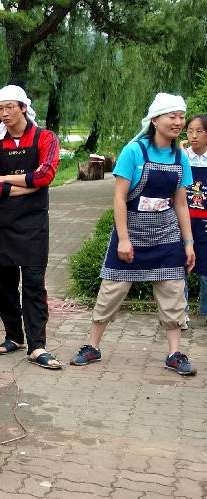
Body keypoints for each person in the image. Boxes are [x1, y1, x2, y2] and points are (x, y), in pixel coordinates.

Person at [70, 94, 197, 375]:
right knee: (111, 291)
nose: (178, 122)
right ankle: (92, 346)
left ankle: (175, 353)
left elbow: (180, 202)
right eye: (172, 116)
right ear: (155, 120)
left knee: (173, 294)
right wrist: (124, 238)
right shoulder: (134, 152)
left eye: (181, 116)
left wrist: (188, 242)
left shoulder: (180, 157)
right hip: (131, 234)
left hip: (166, 235)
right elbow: (119, 198)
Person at [0, 84, 61, 369]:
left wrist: (6, 179)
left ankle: (37, 345)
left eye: (9, 108)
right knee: (4, 286)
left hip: (33, 224)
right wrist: (23, 185)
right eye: (0, 109)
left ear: (23, 108)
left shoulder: (45, 138)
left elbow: (46, 175)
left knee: (33, 285)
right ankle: (13, 336)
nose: (4, 114)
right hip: (2, 224)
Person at [183, 114, 207, 325]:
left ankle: (205, 311)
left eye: (199, 131)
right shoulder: (183, 157)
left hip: (205, 223)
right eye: (190, 131)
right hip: (184, 220)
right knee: (180, 270)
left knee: (205, 272)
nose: (194, 135)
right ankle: (181, 313)